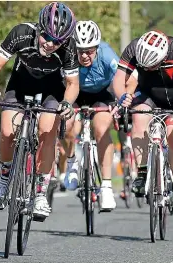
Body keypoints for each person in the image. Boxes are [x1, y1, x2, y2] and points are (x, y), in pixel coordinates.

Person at [0, 2, 79, 220]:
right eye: (47, 37)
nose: (51, 45)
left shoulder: (69, 47)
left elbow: (73, 84)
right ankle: (5, 176)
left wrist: (66, 104)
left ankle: (39, 193)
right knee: (7, 132)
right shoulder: (21, 33)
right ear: (39, 29)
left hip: (52, 92)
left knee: (47, 132)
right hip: (20, 85)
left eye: (58, 41)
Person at [114, 30, 173, 215]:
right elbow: (119, 78)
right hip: (148, 95)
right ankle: (142, 172)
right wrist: (122, 96)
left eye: (151, 66)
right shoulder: (133, 48)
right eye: (144, 67)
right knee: (138, 119)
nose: (147, 70)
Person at [61, 20, 120, 211]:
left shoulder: (107, 54)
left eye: (90, 51)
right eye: (80, 51)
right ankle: (71, 163)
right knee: (66, 124)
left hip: (102, 93)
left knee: (101, 129)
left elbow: (123, 78)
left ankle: (106, 187)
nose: (85, 55)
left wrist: (121, 102)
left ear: (97, 47)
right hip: (75, 92)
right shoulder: (67, 54)